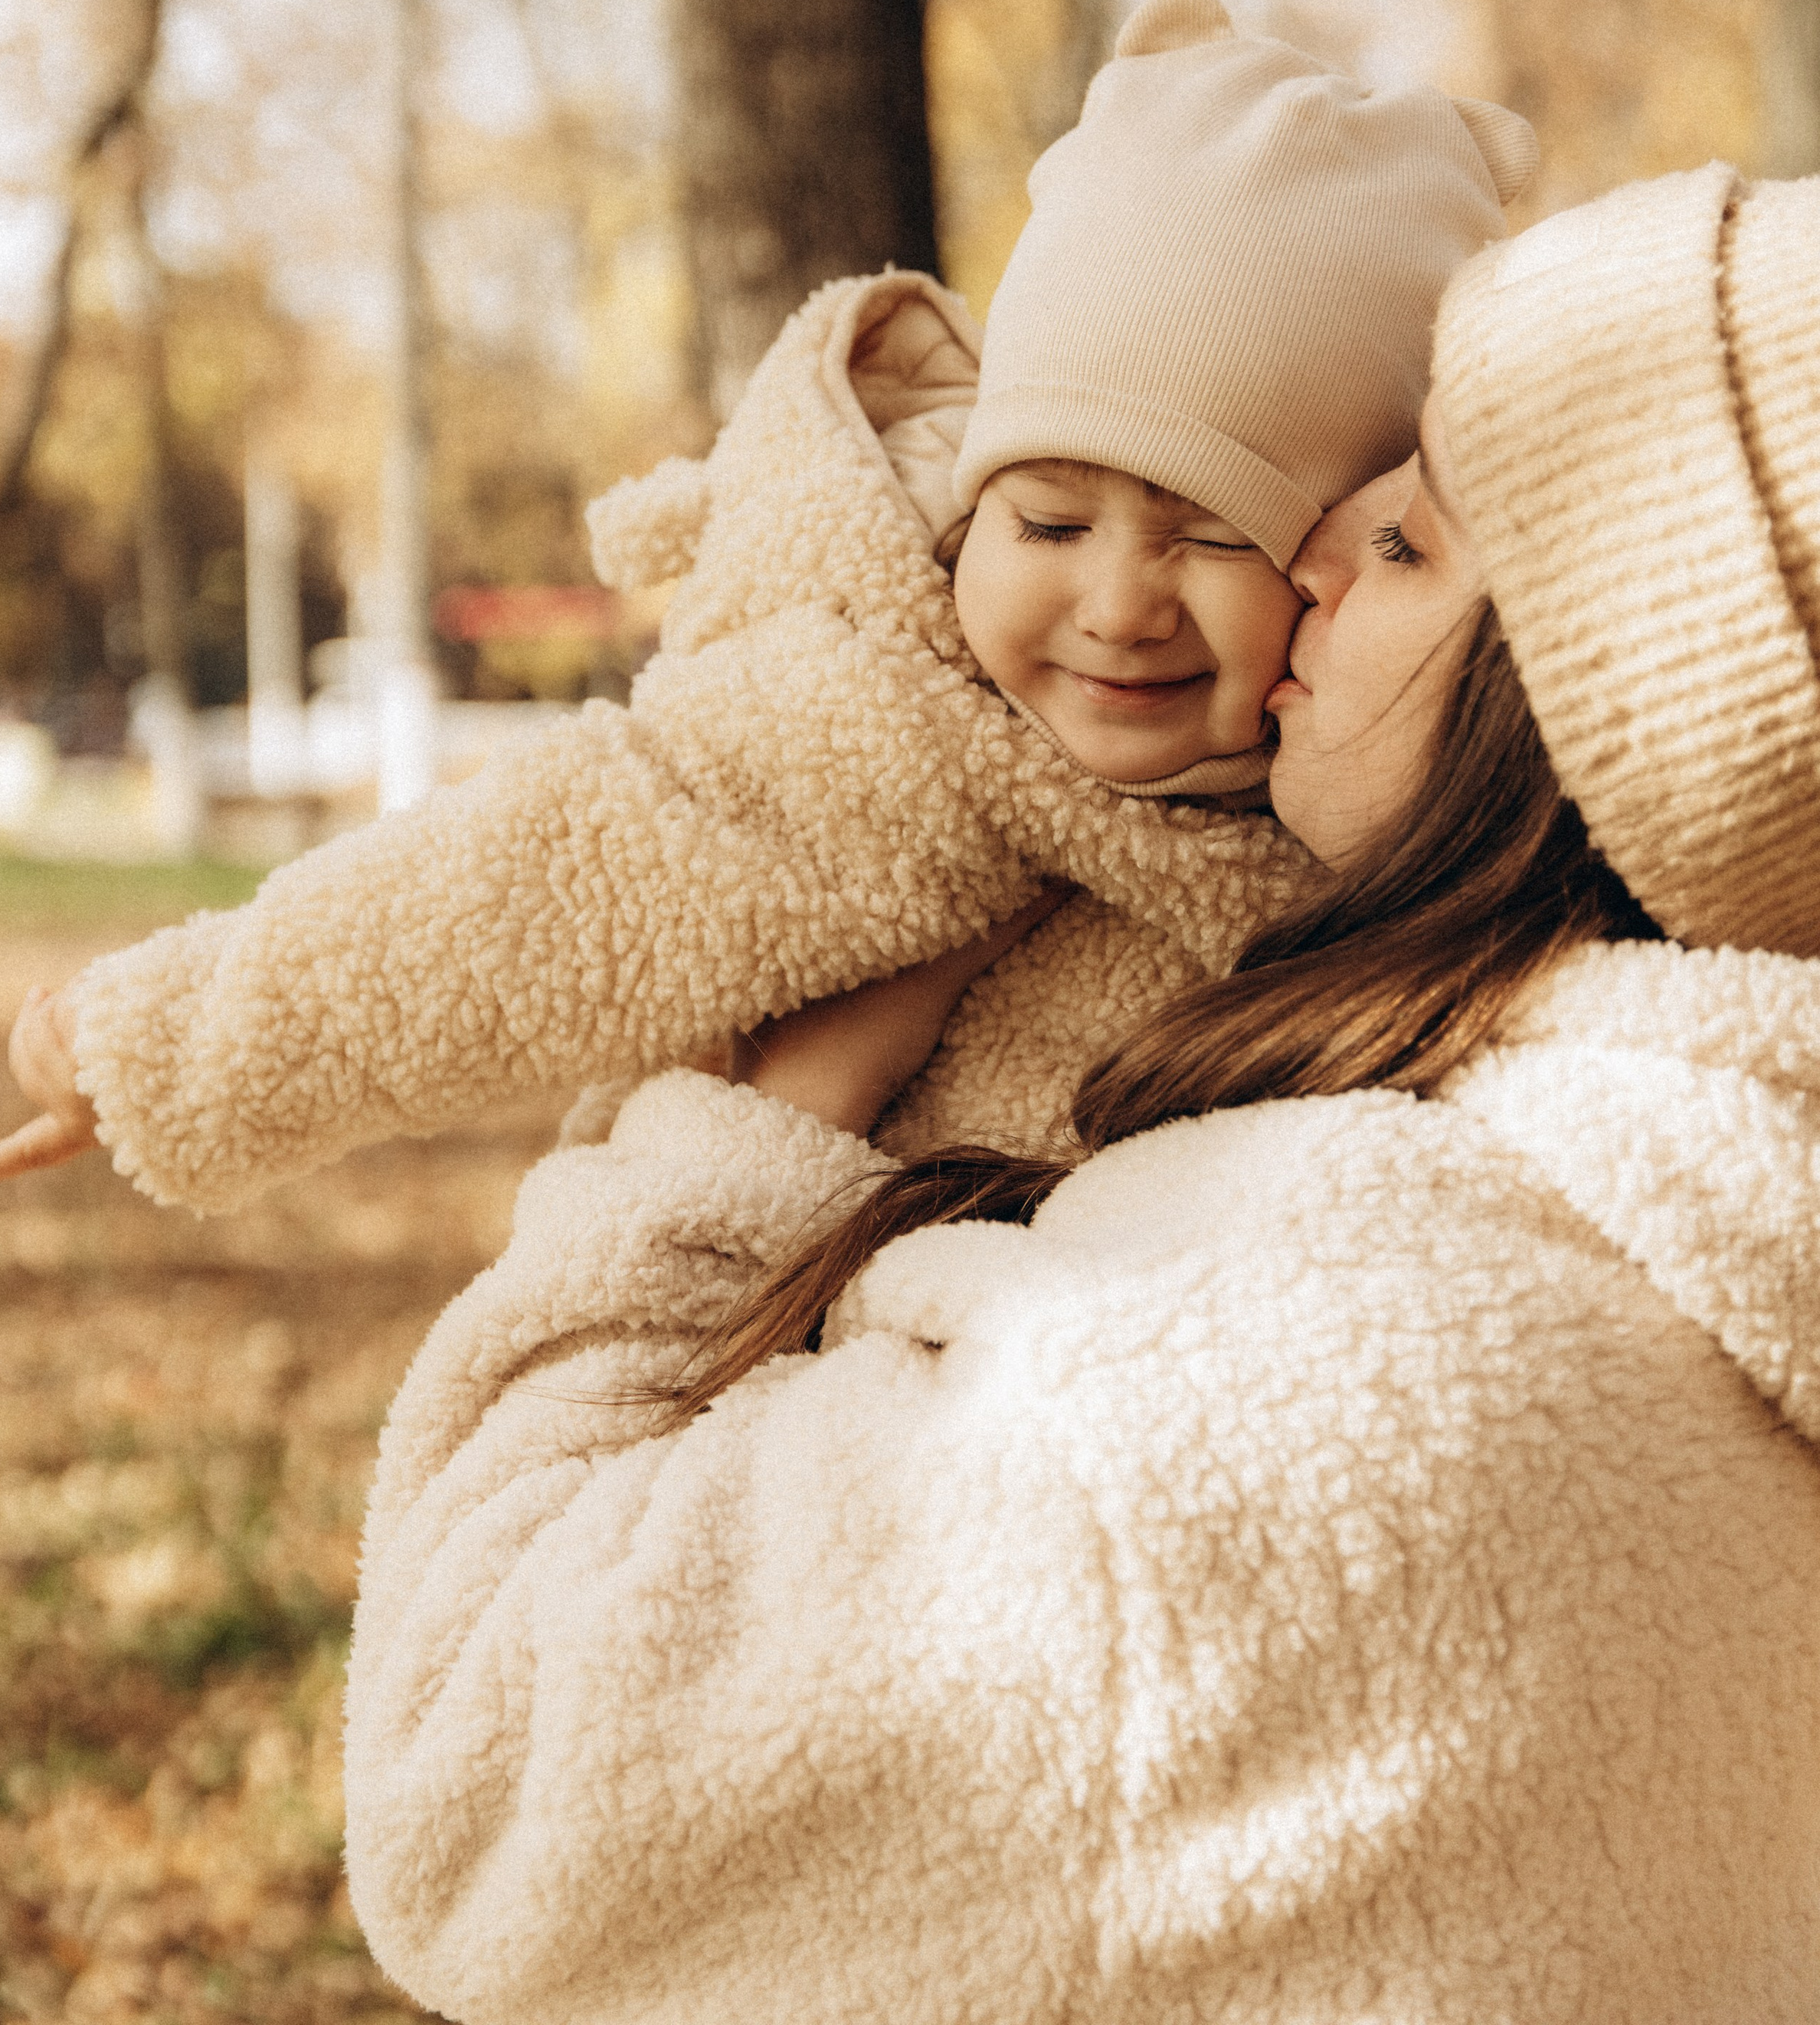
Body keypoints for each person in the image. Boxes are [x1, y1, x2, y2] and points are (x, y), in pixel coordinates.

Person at [342, 159, 1820, 2025]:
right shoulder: (1734, 1206)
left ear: (1586, 732)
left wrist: (734, 1146)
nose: (1297, 552)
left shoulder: (1276, 1367)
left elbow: (475, 1783)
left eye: (1407, 543)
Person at [0, 0, 1533, 1210]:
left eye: (1212, 540)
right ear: (975, 493)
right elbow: (515, 896)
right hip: (744, 1324)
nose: (1118, 601)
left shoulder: (1369, 800)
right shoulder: (884, 724)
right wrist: (161, 1039)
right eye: (1049, 517)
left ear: (1338, 547)